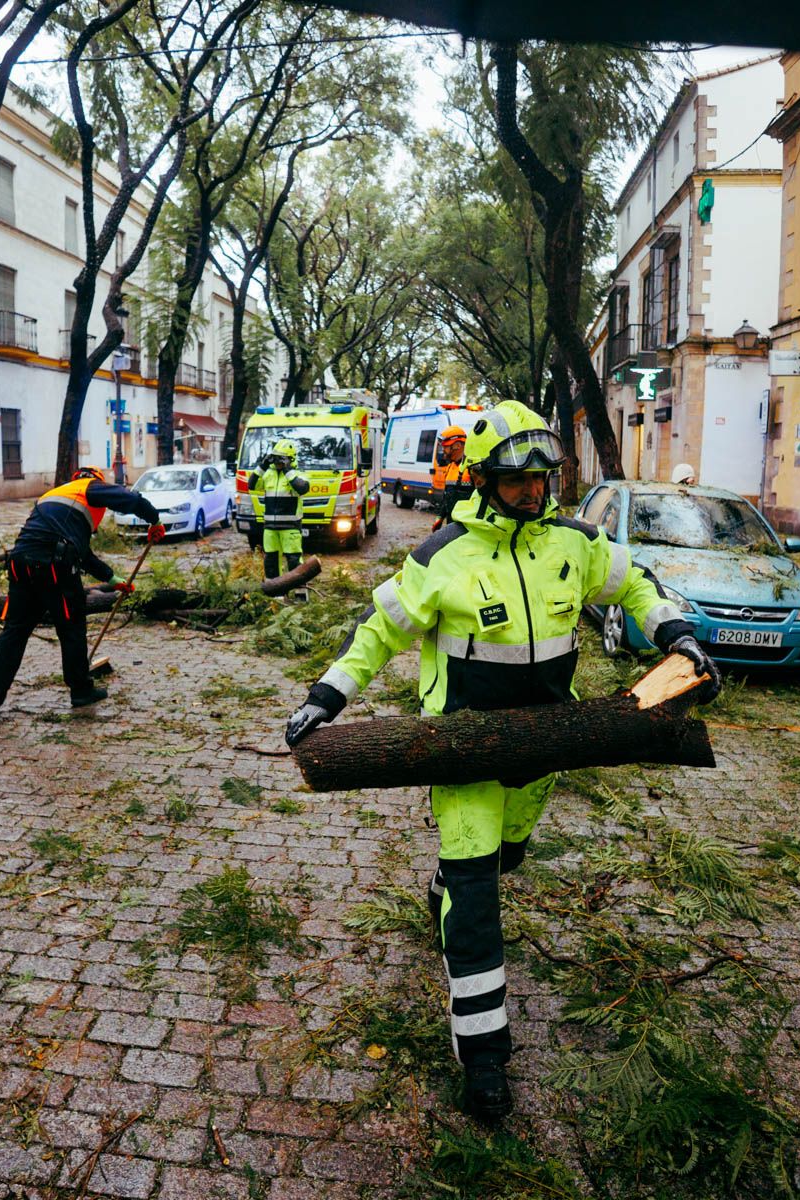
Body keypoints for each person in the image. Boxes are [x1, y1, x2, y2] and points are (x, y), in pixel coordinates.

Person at [282, 400, 720, 1123]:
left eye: (541, 478)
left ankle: (443, 883)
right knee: (478, 892)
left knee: (508, 856)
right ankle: (484, 1055)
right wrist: (326, 697)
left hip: (549, 745)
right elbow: (378, 634)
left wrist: (677, 634)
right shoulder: (440, 557)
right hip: (461, 751)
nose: (531, 490)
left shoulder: (575, 545)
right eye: (516, 479)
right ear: (483, 479)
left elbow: (636, 585)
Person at [0, 467, 164, 720]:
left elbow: (83, 555)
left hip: (19, 562)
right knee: (72, 627)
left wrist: (112, 578)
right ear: (94, 481)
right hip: (54, 566)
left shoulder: (53, 497)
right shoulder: (89, 488)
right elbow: (132, 499)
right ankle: (80, 691)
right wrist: (154, 520)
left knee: (14, 632)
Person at [251, 439, 311, 580]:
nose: (278, 462)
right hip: (270, 527)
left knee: (294, 560)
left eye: (281, 458)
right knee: (271, 561)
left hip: (290, 527)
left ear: (290, 459)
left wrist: (287, 469)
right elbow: (251, 484)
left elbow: (302, 488)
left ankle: (299, 592)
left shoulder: (297, 474)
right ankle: (276, 593)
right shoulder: (268, 474)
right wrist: (263, 465)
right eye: (276, 458)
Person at [432, 426, 473, 531]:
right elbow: (446, 497)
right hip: (452, 527)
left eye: (445, 446)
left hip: (469, 528)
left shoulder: (473, 467)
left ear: (457, 445)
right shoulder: (450, 467)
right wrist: (439, 518)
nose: (443, 450)